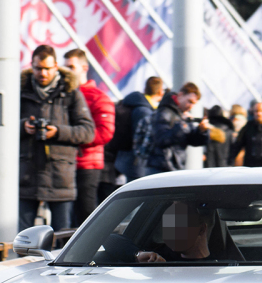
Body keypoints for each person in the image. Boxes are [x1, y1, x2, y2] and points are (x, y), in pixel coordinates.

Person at [18, 45, 95, 230]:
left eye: (47, 68)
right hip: (27, 175)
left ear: (56, 67)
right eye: (38, 68)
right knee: (24, 239)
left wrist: (58, 131)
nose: (42, 73)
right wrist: (23, 127)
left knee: (63, 237)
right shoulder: (20, 92)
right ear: (32, 67)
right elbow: (2, 128)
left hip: (60, 176)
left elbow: (87, 132)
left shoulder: (71, 93)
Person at [62, 48, 115, 226]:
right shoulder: (62, 95)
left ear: (84, 67)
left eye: (71, 67)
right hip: (64, 162)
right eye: (65, 67)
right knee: (65, 218)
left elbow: (105, 132)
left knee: (85, 214)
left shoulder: (99, 98)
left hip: (87, 165)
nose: (67, 72)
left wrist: (71, 137)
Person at [139, 81, 210, 176]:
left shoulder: (181, 115)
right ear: (180, 95)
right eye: (190, 101)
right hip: (161, 168)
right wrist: (181, 127)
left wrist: (202, 131)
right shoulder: (164, 112)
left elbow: (193, 141)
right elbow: (161, 139)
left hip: (172, 166)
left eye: (193, 104)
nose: (191, 106)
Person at [109, 76, 164, 182]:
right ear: (160, 92)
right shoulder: (145, 111)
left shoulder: (133, 104)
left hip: (124, 157)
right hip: (135, 163)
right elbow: (141, 139)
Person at [134, 201, 215, 263]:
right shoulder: (157, 257)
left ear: (201, 229)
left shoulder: (221, 263)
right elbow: (122, 243)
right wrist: (137, 254)